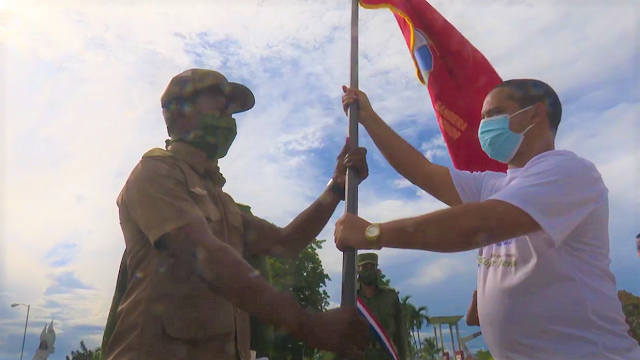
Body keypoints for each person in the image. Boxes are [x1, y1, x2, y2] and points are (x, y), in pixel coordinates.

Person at [334, 80, 640, 360]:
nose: (484, 125)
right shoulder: (493, 186)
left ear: (535, 114)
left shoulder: (569, 171)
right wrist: (368, 116)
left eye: (494, 113)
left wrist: (374, 234)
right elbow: (421, 171)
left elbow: (480, 226)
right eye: (483, 117)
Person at [103, 68, 371, 360]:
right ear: (178, 113)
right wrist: (308, 324)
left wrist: (336, 187)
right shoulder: (155, 173)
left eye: (231, 113)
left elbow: (286, 242)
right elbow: (205, 254)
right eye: (220, 106)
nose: (228, 118)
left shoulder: (223, 202)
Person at [356, 253, 407, 360]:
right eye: (365, 267)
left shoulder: (390, 296)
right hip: (360, 355)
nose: (369, 270)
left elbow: (400, 334)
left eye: (372, 267)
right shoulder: (352, 298)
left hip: (386, 355)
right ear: (358, 270)